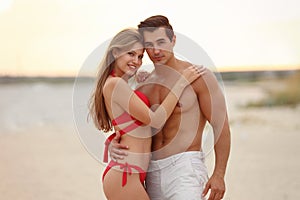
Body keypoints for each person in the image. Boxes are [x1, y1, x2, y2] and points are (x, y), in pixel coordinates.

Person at [109, 15, 231, 200]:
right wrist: (112, 143)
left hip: (184, 168)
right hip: (150, 173)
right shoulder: (143, 84)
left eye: (161, 42)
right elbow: (136, 126)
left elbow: (220, 126)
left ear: (173, 40)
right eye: (149, 45)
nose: (156, 50)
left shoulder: (199, 76)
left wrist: (219, 174)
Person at [88, 28, 205, 200]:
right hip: (125, 175)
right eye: (131, 54)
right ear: (115, 52)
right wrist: (181, 82)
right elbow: (156, 120)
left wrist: (144, 81)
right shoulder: (114, 84)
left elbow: (136, 127)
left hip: (133, 174)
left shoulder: (122, 84)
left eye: (140, 56)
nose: (136, 61)